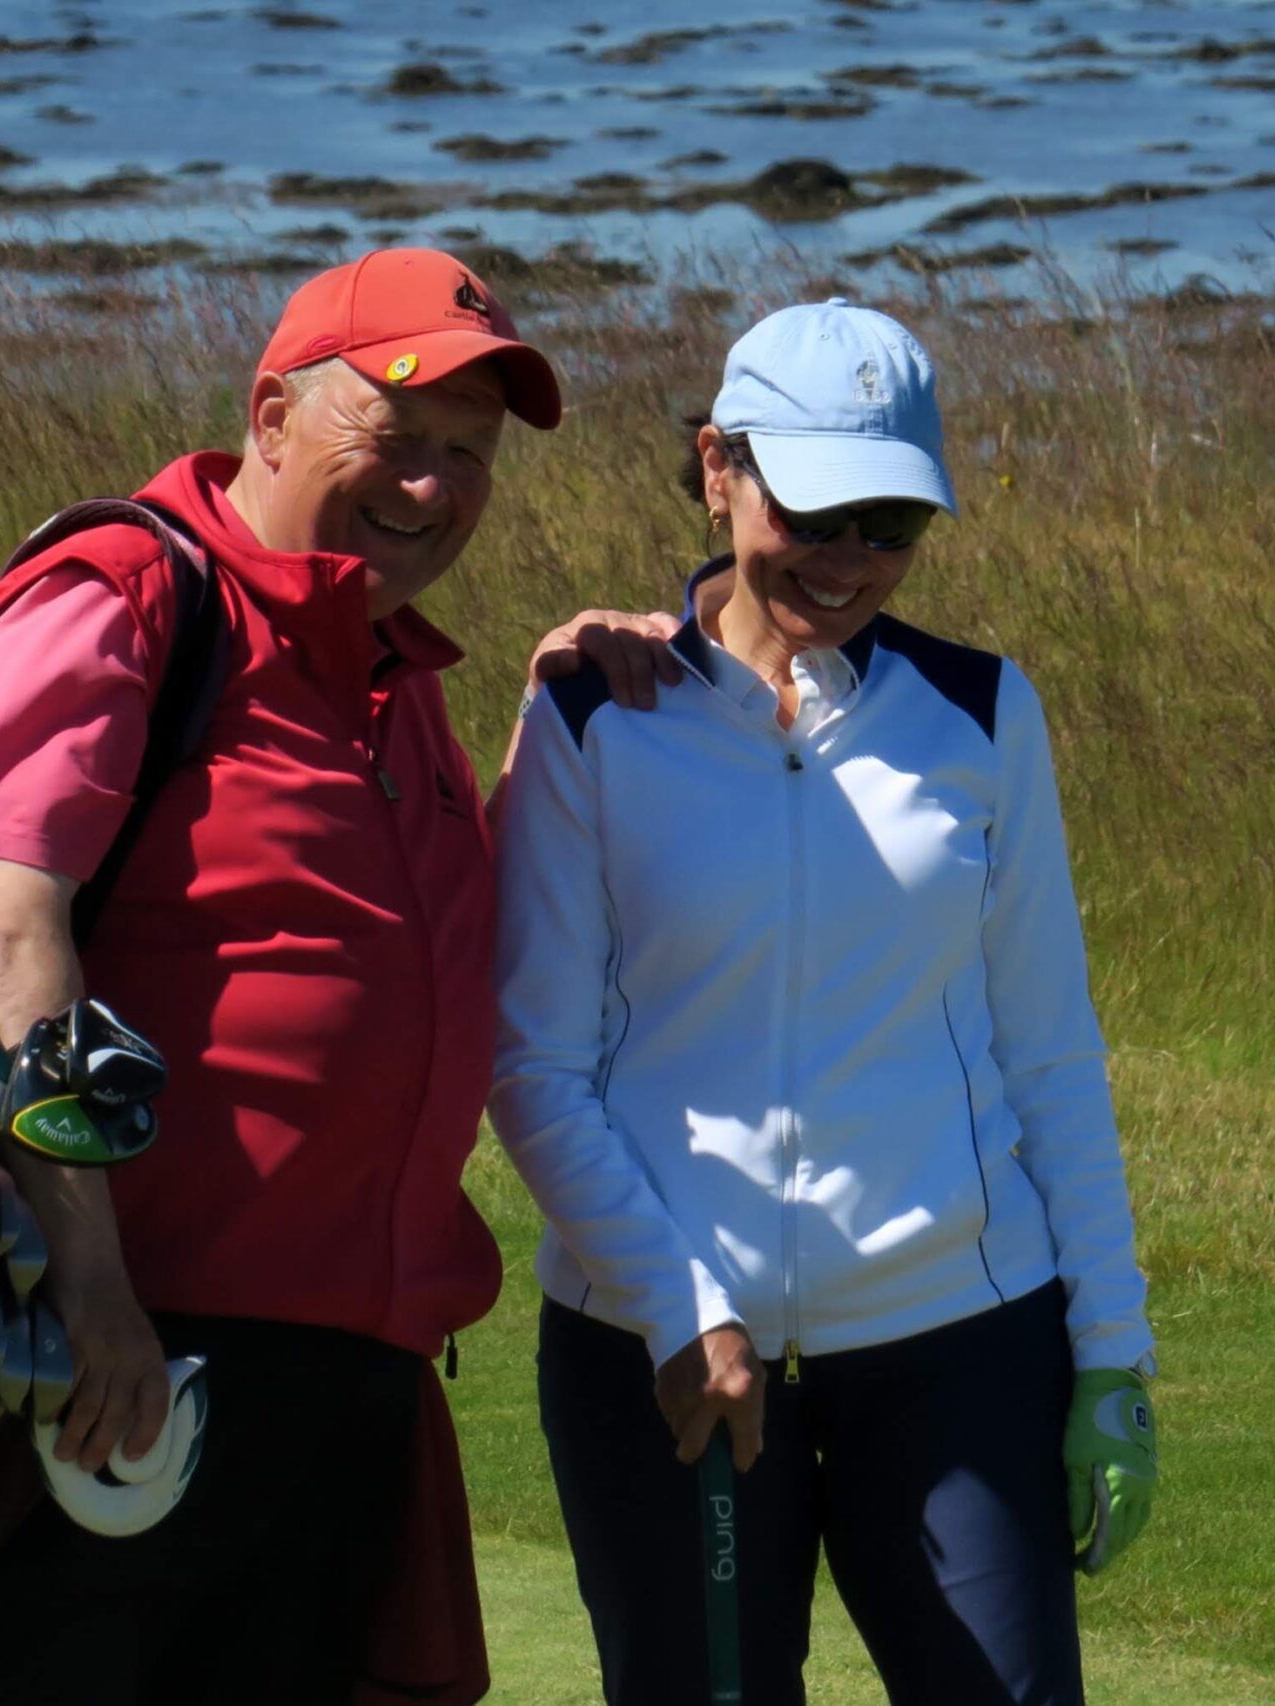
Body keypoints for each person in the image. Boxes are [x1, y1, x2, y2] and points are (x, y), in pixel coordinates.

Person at [0, 248, 672, 1704]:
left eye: (467, 456)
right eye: (398, 436)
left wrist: (556, 725)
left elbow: (416, 963)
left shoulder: (394, 680)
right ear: (272, 416)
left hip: (335, 1393)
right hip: (106, 1368)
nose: (431, 487)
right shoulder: (126, 596)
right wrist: (98, 1293)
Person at [488, 300, 1161, 1706]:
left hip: (956, 1344)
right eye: (818, 511)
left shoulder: (980, 714)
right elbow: (534, 1065)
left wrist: (1112, 1353)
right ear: (718, 463)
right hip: (659, 1356)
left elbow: (1049, 1054)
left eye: (892, 524)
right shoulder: (595, 718)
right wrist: (683, 1309)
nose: (852, 562)